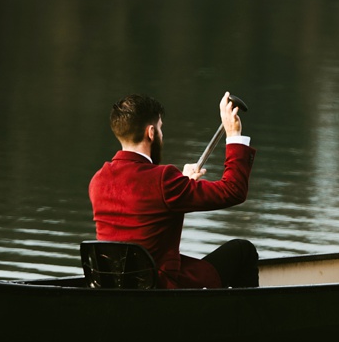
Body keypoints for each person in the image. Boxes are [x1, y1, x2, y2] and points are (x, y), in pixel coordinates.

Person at [89, 92, 258, 289]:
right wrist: (234, 137)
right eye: (160, 129)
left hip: (117, 284)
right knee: (243, 250)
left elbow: (145, 206)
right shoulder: (164, 180)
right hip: (160, 287)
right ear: (151, 133)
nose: (161, 134)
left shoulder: (98, 180)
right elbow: (234, 190)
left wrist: (183, 182)